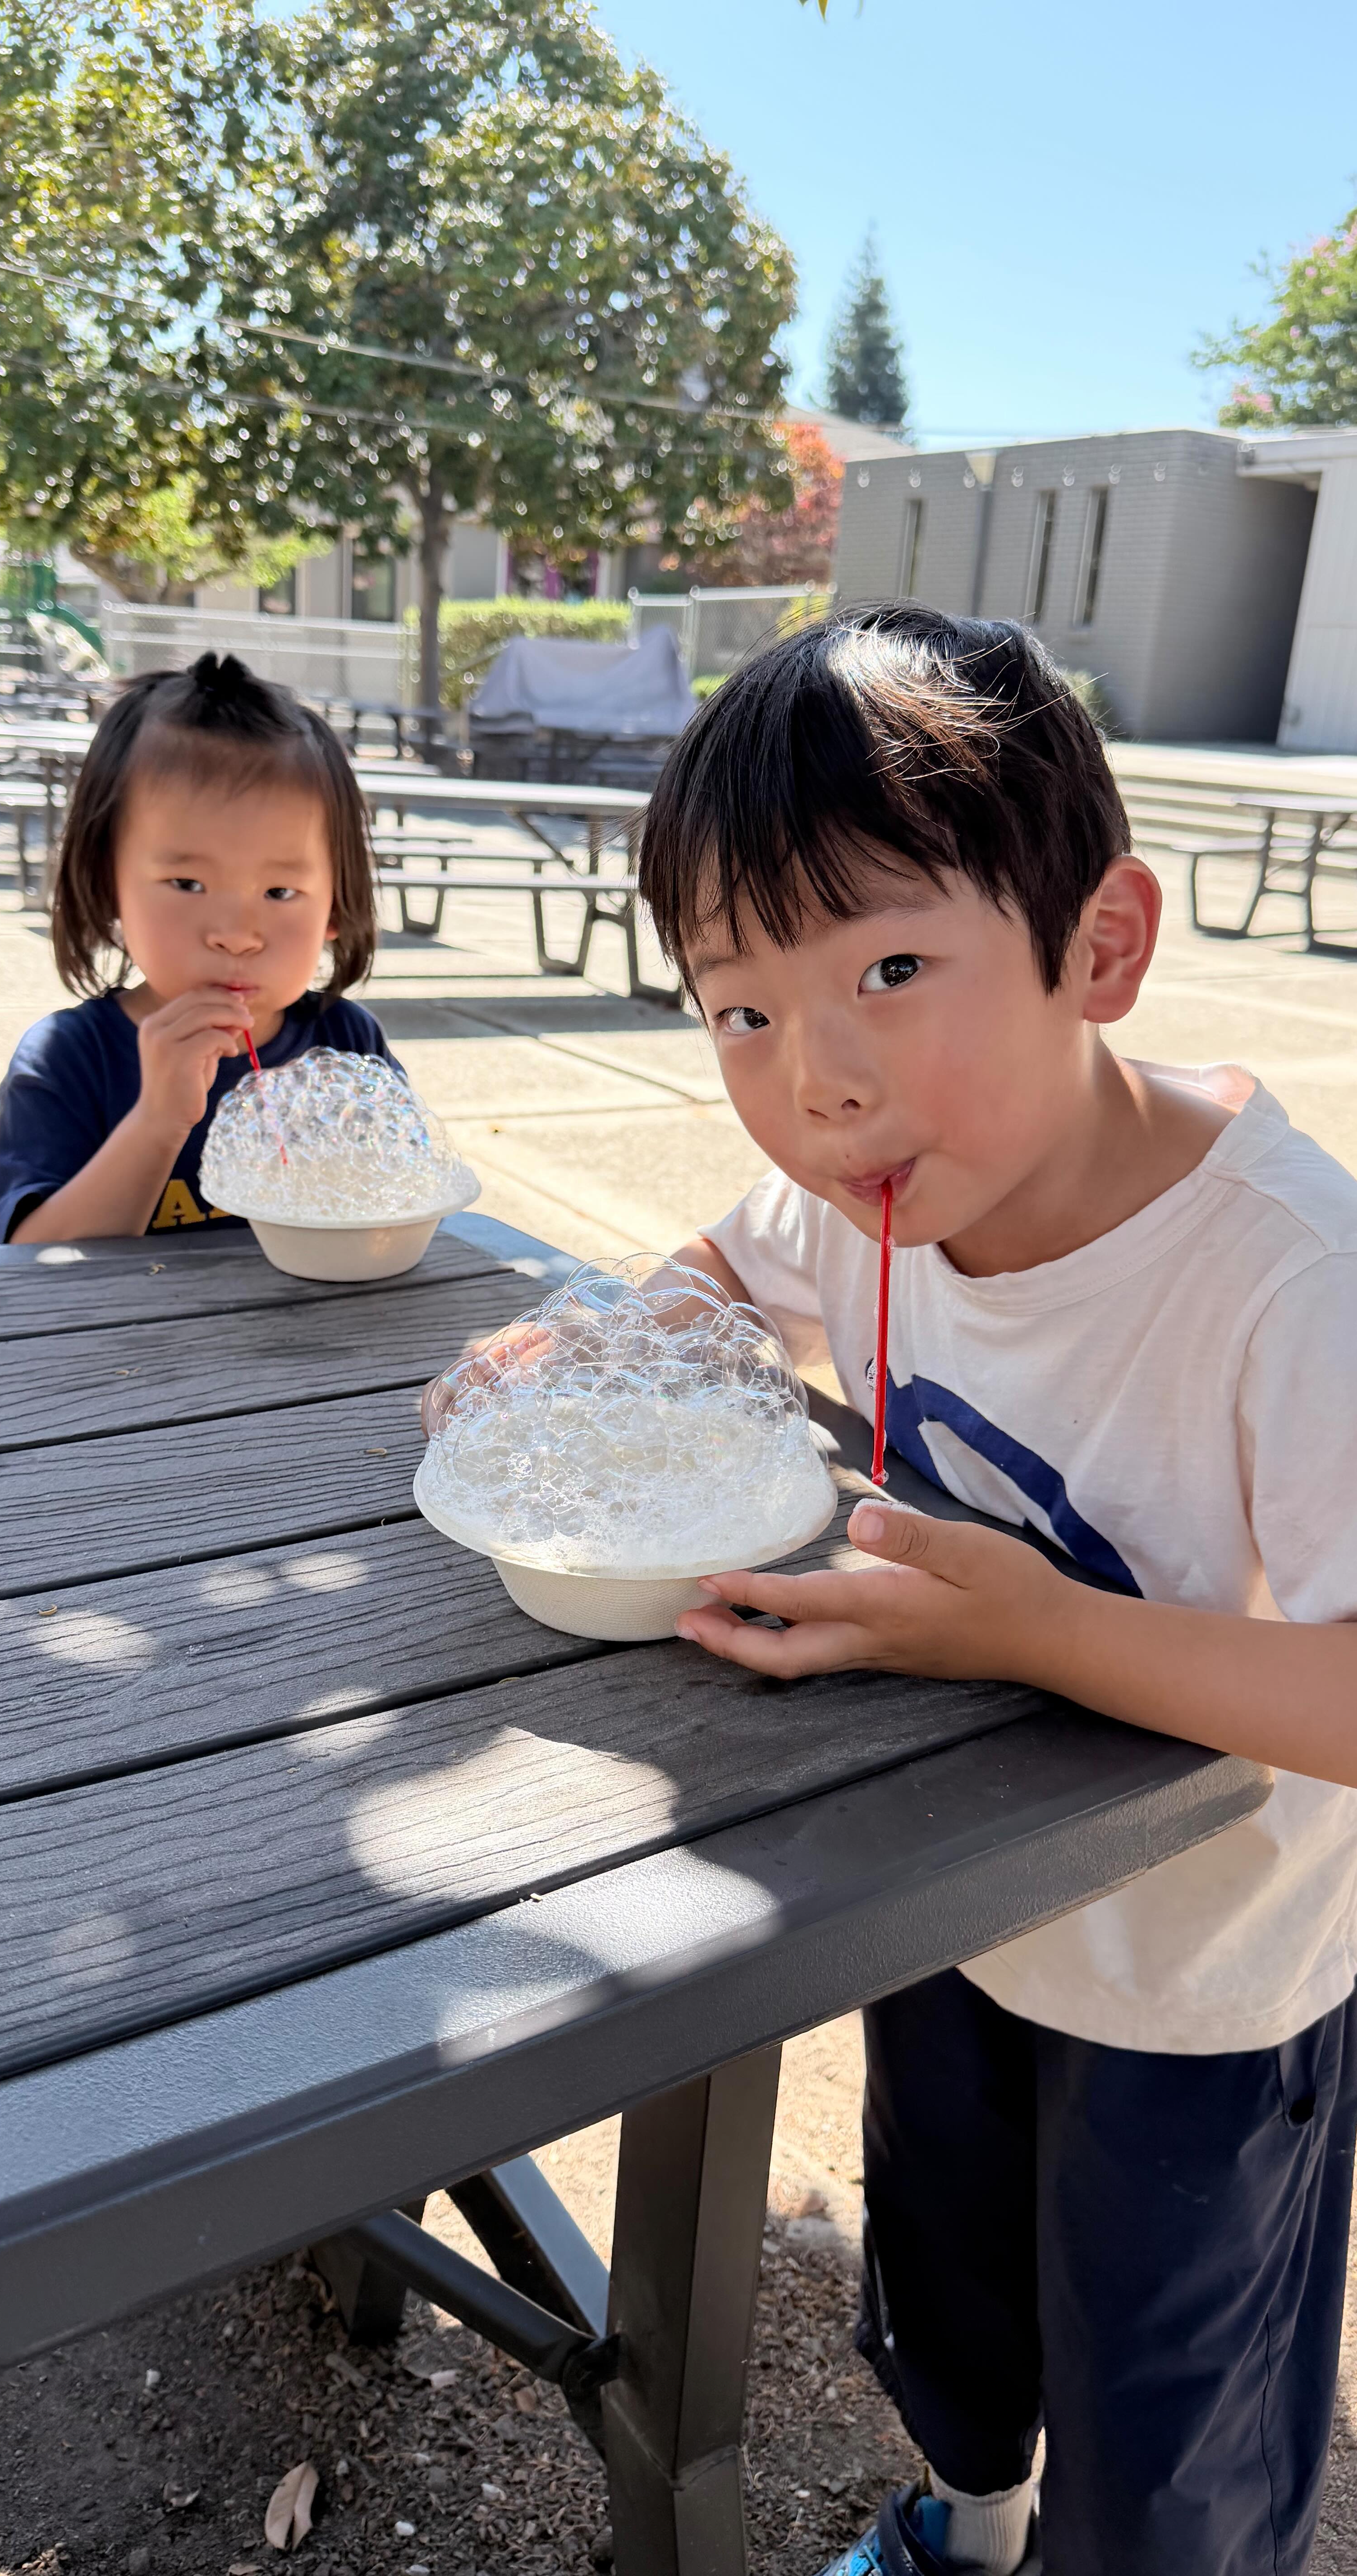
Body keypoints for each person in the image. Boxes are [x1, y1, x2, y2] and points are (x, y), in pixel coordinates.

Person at [636, 604, 1357, 2576]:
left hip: (1206, 1982)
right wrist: (617, 1352)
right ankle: (967, 2522)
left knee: (1168, 2413)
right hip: (957, 1902)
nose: (819, 1083)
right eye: (740, 1009)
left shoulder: (1288, 1275)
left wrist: (1024, 1624)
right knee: (952, 2304)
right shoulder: (875, 1185)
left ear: (1098, 947)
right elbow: (714, 1264)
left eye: (887, 966)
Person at [0, 651, 396, 1247]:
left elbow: (403, 1203)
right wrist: (157, 1122)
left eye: (281, 891)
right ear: (106, 880)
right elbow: (16, 1268)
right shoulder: (71, 1058)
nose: (237, 934)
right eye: (188, 884)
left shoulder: (348, 1046)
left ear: (336, 906)